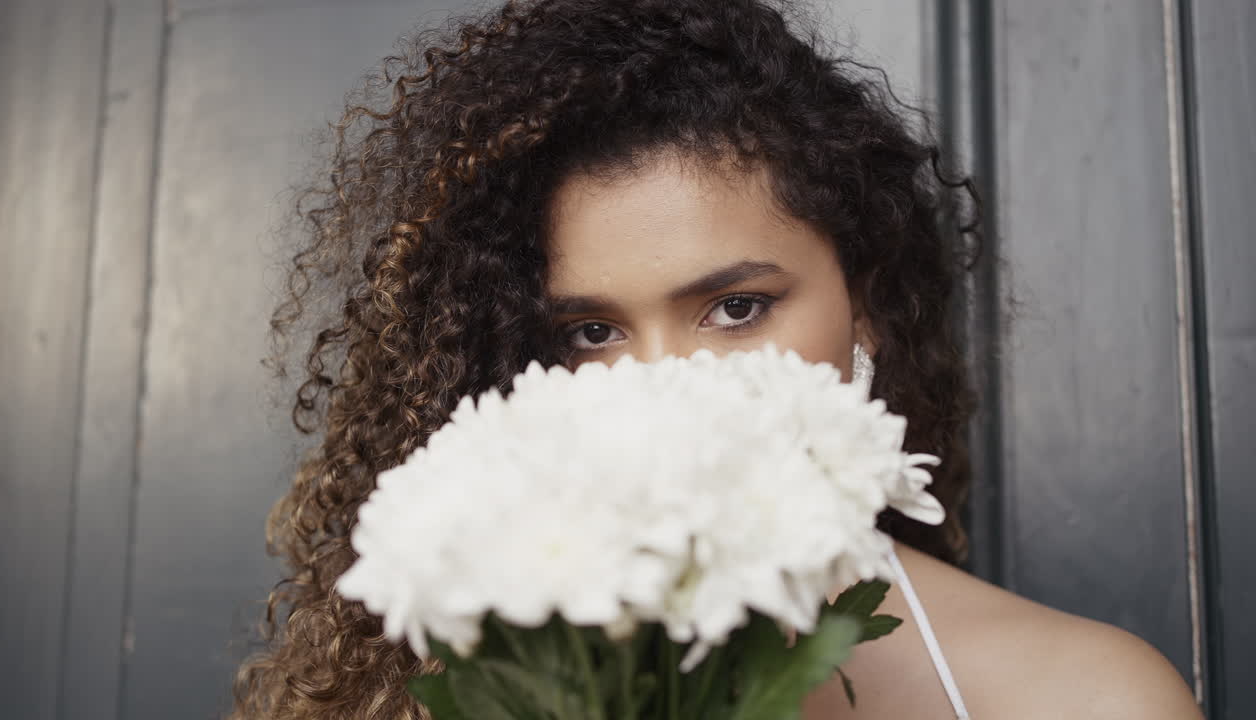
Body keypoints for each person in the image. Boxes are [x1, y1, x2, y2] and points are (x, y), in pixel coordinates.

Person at [230, 0, 1204, 718]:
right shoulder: (433, 694)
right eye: (589, 333)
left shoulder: (1086, 698)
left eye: (735, 309)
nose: (663, 390)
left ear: (864, 308)